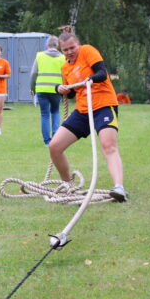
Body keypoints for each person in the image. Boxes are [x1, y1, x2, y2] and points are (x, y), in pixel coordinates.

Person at [48, 31, 128, 202]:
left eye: (72, 47)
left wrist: (89, 79)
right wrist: (59, 88)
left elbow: (101, 73)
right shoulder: (65, 67)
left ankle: (119, 188)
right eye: (65, 50)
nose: (70, 52)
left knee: (108, 146)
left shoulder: (87, 51)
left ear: (78, 44)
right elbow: (70, 94)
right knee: (54, 146)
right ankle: (67, 185)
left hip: (104, 105)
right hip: (83, 110)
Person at [29, 35, 65, 145]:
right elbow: (65, 74)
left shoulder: (39, 56)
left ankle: (47, 141)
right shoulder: (63, 57)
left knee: (44, 114)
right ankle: (55, 135)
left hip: (42, 88)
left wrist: (32, 88)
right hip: (57, 89)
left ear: (47, 45)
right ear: (57, 45)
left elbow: (33, 73)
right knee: (55, 111)